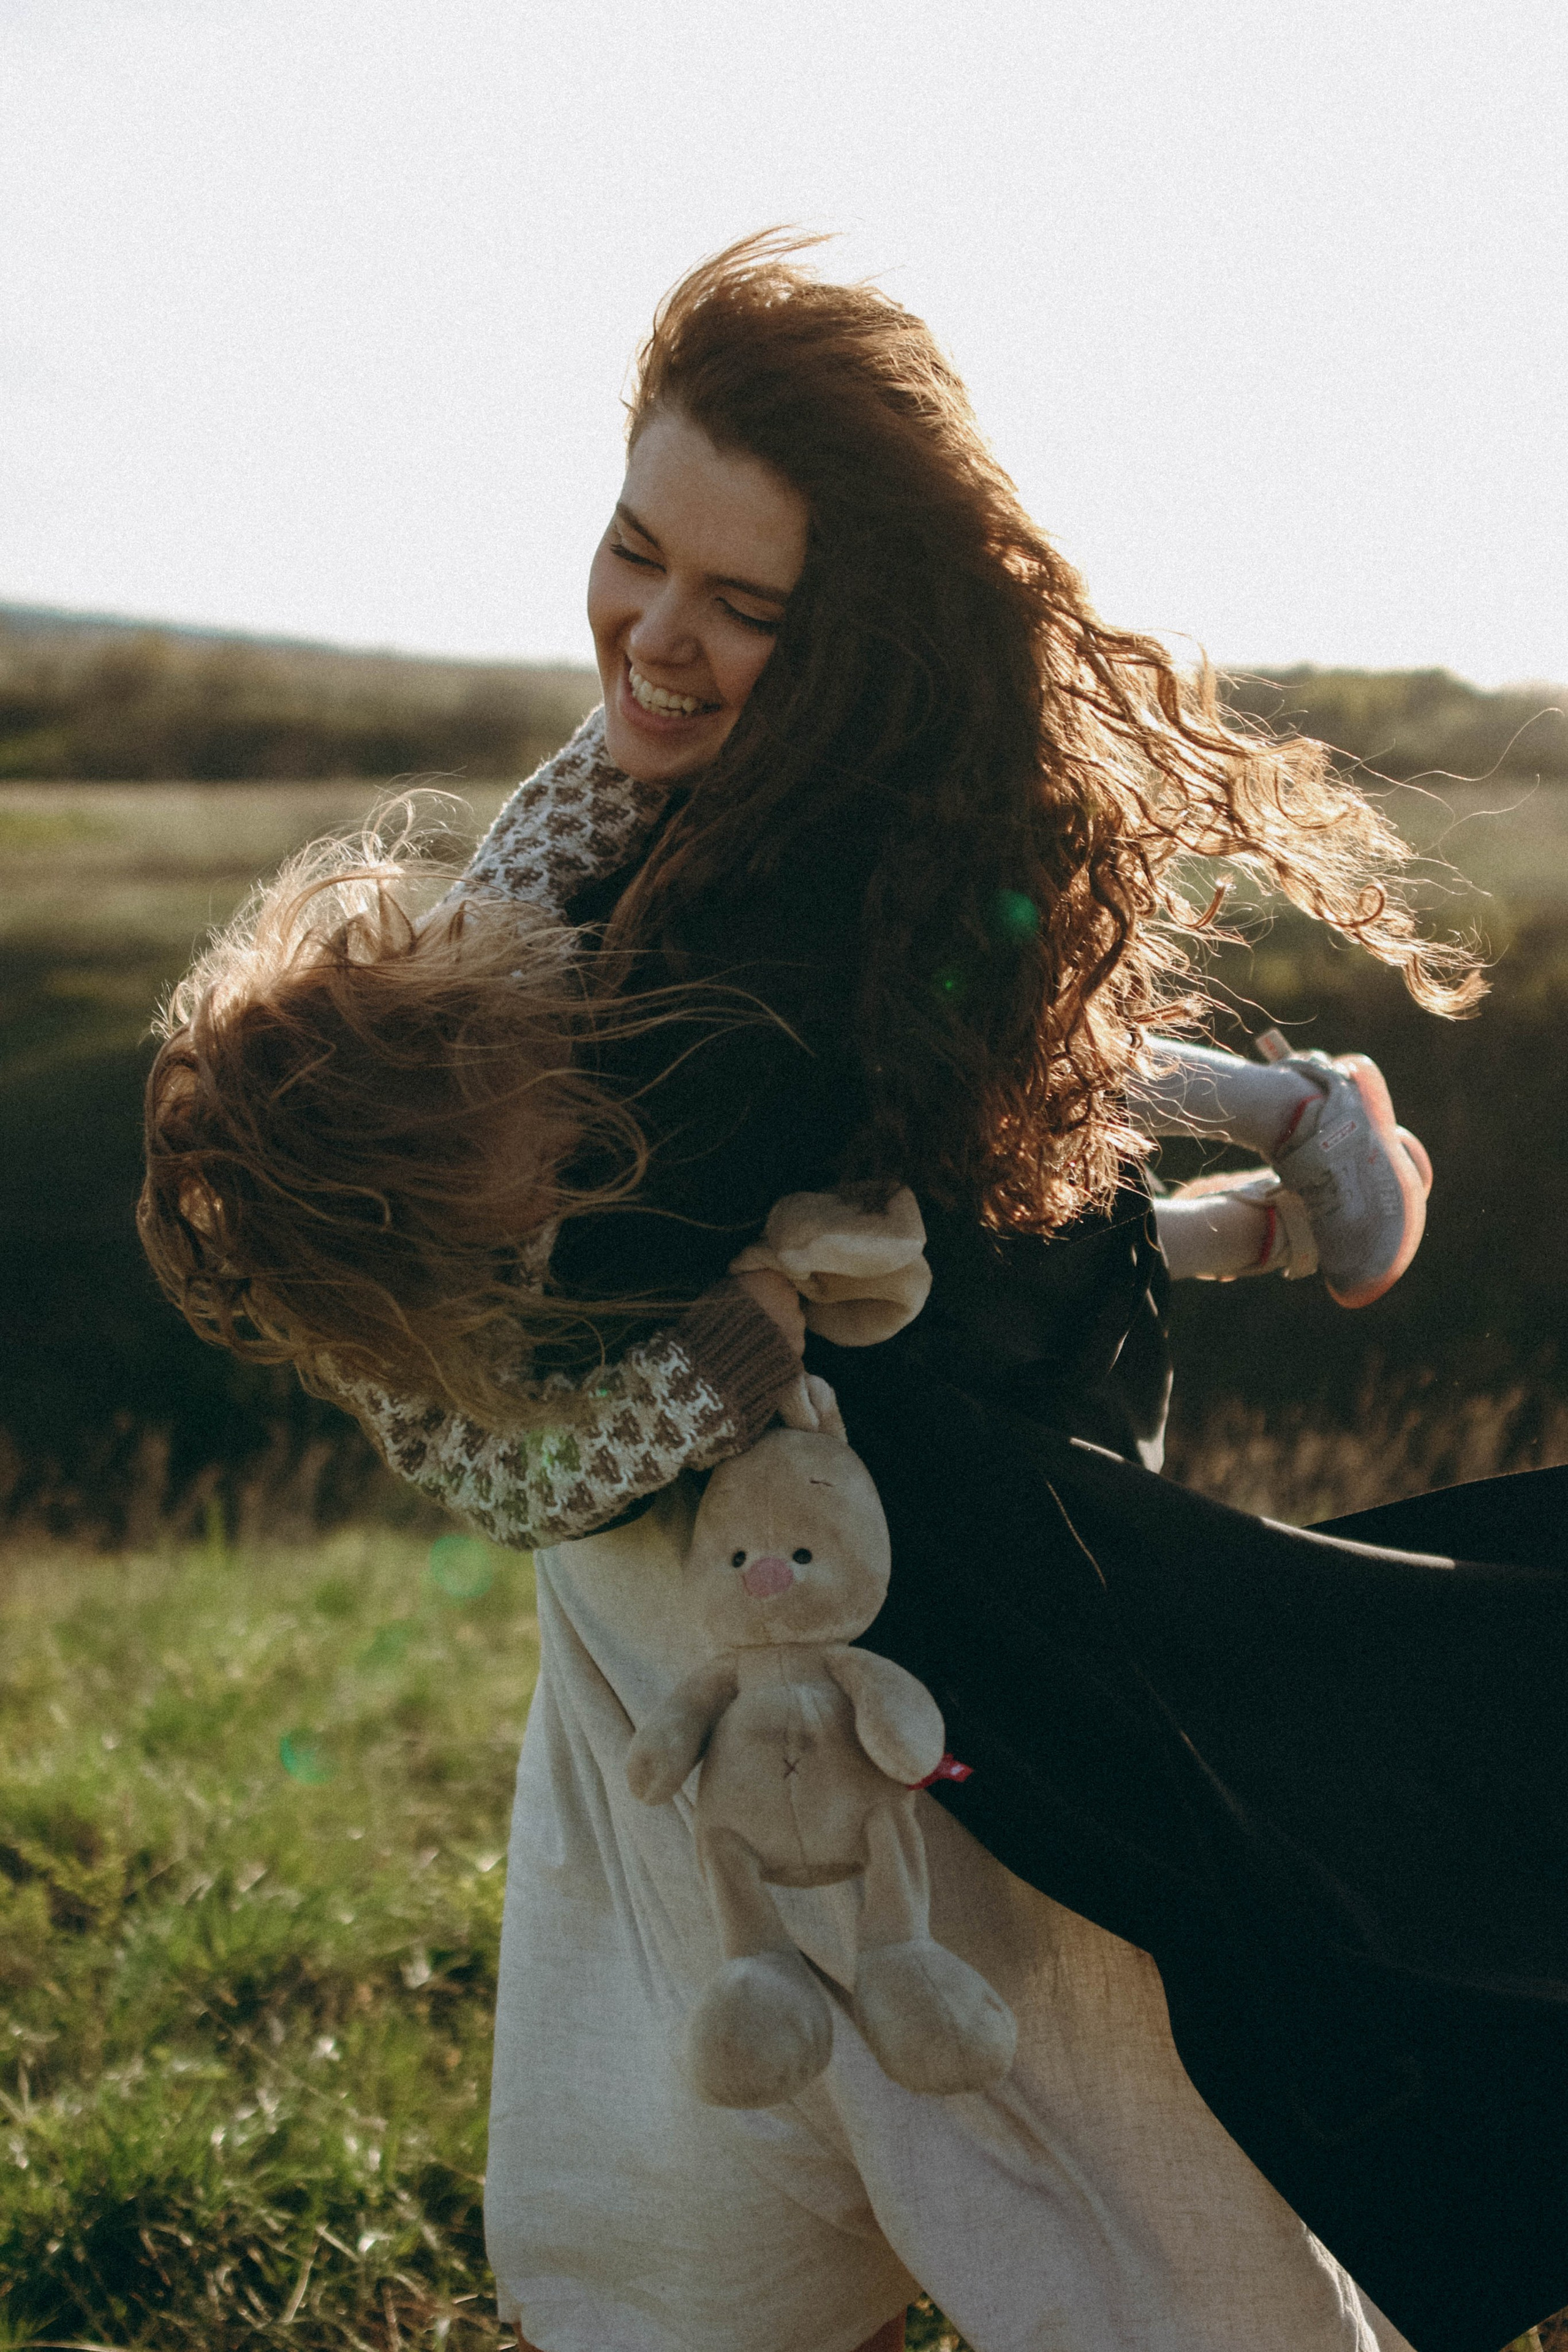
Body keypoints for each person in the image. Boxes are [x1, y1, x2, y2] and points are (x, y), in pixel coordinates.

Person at [138, 236, 1568, 2352]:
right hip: (672, 1676)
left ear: (860, 631)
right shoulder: (588, 816)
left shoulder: (838, 902)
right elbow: (454, 1383)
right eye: (638, 553)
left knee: (1115, 2188)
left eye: (749, 606)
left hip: (930, 1661)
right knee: (685, 2211)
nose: (658, 638)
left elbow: (994, 1171)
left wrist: (1274, 1120)